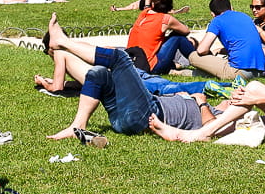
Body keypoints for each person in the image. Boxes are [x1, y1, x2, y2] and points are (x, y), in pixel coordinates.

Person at [150, 9, 265, 142]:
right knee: (243, 124)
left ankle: (198, 134)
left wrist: (254, 96)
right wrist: (246, 93)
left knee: (254, 89)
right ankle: (189, 133)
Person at [44, 14, 212, 141]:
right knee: (99, 73)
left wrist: (202, 103)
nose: (235, 97)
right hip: (122, 118)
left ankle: (63, 41)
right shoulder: (227, 105)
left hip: (147, 115)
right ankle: (77, 126)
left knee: (120, 57)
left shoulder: (223, 113)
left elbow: (211, 128)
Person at [186, 0, 265, 81]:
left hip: (239, 71)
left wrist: (209, 55)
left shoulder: (217, 20)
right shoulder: (245, 16)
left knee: (193, 56)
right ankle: (183, 73)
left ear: (213, 14)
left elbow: (201, 50)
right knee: (215, 70)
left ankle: (181, 70)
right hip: (259, 70)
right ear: (231, 7)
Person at [124, 0, 193, 74]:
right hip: (151, 66)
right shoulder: (165, 19)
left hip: (133, 63)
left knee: (162, 38)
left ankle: (172, 66)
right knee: (178, 38)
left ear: (153, 4)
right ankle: (197, 60)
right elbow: (186, 31)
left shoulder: (144, 13)